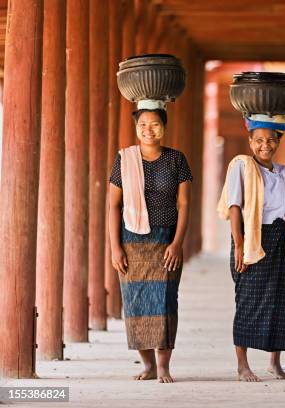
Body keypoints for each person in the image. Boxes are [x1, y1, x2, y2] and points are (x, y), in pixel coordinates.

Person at [109, 102, 192, 384]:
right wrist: (115, 247)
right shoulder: (124, 159)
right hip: (131, 240)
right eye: (143, 125)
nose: (149, 130)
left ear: (164, 128)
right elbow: (113, 206)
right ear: (136, 128)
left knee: (166, 302)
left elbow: (183, 204)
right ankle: (148, 365)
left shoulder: (176, 160)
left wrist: (177, 242)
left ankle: (164, 365)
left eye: (155, 124)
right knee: (136, 302)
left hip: (166, 239)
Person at [217, 113, 285, 382]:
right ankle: (242, 365)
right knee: (247, 299)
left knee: (278, 300)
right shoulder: (241, 167)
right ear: (250, 142)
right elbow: (233, 207)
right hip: (250, 236)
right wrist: (239, 246)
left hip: (276, 237)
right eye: (259, 140)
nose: (265, 145)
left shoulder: (284, 173)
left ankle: (275, 363)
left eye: (271, 140)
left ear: (278, 141)